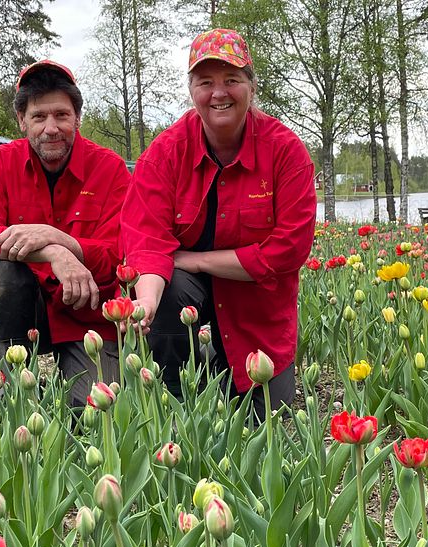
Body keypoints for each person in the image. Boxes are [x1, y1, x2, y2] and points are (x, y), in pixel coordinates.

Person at [121, 29, 317, 420]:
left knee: (268, 418)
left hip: (255, 313)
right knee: (169, 288)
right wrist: (144, 302)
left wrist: (195, 260)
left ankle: (217, 362)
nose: (219, 92)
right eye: (205, 82)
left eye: (231, 79)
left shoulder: (285, 151)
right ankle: (174, 389)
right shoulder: (165, 154)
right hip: (184, 297)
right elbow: (146, 240)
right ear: (191, 89)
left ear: (251, 85)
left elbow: (287, 251)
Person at [0, 60, 130, 404]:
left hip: (89, 314)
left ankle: (69, 386)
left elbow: (119, 251)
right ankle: (14, 389)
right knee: (2, 277)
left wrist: (62, 241)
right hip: (25, 308)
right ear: (22, 120)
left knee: (93, 416)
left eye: (61, 115)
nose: (51, 128)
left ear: (77, 118)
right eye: (39, 117)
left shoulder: (109, 168)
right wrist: (53, 253)